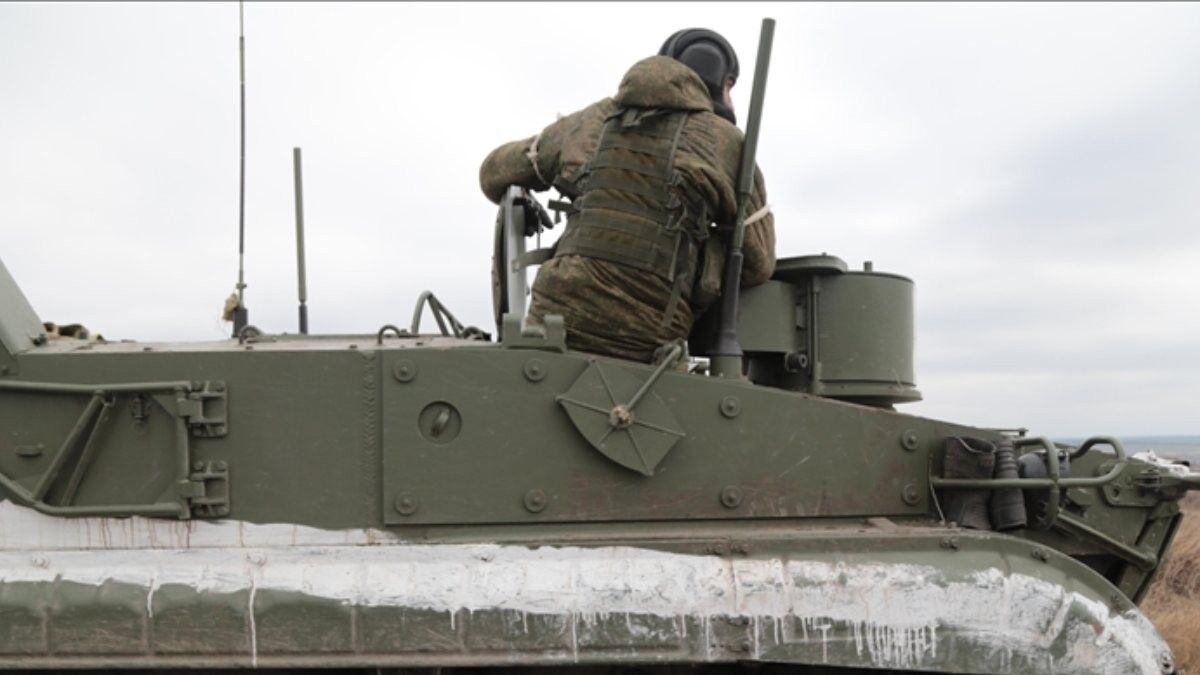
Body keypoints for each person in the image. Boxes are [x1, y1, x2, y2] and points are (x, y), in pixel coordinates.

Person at [479, 29, 776, 363]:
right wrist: (701, 248)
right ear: (720, 81)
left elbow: (492, 173)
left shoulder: (588, 122)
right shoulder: (728, 143)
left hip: (554, 324)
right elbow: (758, 263)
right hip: (648, 343)